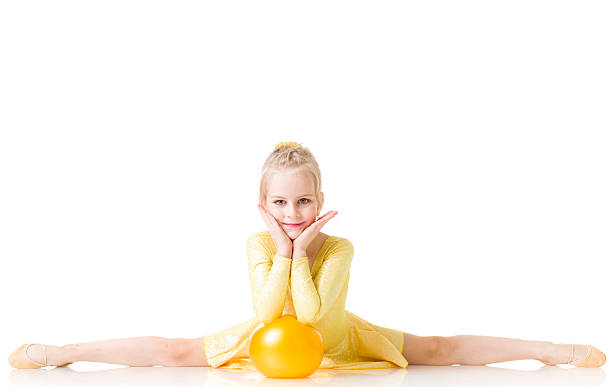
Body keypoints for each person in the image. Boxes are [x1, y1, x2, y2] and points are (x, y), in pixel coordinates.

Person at [9, 142, 606, 370]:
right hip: (271, 336)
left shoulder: (340, 246)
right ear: (263, 203)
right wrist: (284, 251)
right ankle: (64, 353)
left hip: (338, 335)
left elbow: (320, 324)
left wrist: (300, 257)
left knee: (440, 349)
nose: (292, 213)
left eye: (303, 200)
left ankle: (548, 351)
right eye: (280, 202)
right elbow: (271, 317)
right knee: (175, 350)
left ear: (320, 199)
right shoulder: (257, 242)